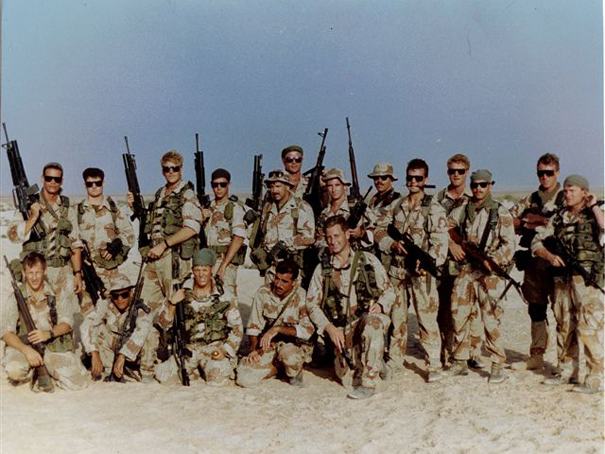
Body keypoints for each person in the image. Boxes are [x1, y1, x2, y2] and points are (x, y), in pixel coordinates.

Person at [126, 150, 203, 379]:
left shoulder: (187, 194)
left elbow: (192, 228)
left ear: (181, 169)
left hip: (173, 259)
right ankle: (146, 363)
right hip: (154, 258)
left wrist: (165, 244)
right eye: (166, 169)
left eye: (174, 168)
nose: (170, 172)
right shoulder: (161, 193)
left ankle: (179, 358)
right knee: (145, 309)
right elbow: (153, 223)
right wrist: (135, 209)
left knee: (175, 310)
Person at [375, 159, 448, 382]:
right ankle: (395, 360)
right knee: (397, 319)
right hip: (398, 272)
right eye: (410, 178)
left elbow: (440, 242)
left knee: (427, 319)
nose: (413, 182)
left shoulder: (433, 208)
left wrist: (427, 262)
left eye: (418, 178)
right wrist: (392, 244)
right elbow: (379, 230)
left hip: (421, 274)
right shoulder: (396, 205)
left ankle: (434, 364)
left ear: (425, 180)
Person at [306, 216, 395, 399]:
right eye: (329, 237)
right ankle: (377, 362)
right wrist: (329, 328)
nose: (333, 241)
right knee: (347, 378)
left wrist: (380, 305)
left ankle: (369, 383)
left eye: (337, 236)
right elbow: (311, 304)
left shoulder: (368, 260)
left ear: (347, 234)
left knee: (373, 324)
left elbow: (389, 291)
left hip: (366, 320)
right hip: (343, 329)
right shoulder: (322, 269)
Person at [532, 175, 604, 394]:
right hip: (562, 280)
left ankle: (595, 378)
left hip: (587, 282)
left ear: (584, 192)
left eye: (572, 190)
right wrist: (549, 256)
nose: (567, 194)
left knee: (588, 328)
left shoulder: (596, 213)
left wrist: (594, 206)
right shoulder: (558, 217)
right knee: (564, 325)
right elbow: (537, 242)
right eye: (565, 190)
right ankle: (567, 371)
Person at [444, 170, 515, 384]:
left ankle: (497, 364)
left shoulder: (500, 212)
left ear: (490, 185)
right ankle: (460, 361)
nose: (478, 189)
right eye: (475, 185)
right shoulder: (463, 209)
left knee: (491, 318)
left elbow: (509, 244)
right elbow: (444, 227)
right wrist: (452, 245)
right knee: (459, 314)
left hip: (489, 273)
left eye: (483, 185)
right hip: (467, 269)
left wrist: (494, 260)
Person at [154, 249, 243, 386]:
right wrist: (172, 304)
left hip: (213, 348)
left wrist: (224, 350)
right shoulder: (180, 290)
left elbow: (237, 329)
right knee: (164, 378)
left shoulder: (224, 294)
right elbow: (163, 324)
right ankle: (196, 372)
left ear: (211, 270)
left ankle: (208, 370)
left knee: (217, 381)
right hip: (189, 348)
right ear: (192, 271)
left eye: (205, 270)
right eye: (197, 270)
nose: (201, 274)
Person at [2, 252, 89, 391]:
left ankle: (48, 369)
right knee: (14, 369)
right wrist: (26, 350)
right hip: (26, 347)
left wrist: (48, 334)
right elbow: (6, 333)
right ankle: (32, 370)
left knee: (77, 383)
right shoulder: (16, 296)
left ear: (45, 271)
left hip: (52, 345)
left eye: (38, 272)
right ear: (24, 273)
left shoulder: (57, 292)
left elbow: (67, 324)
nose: (34, 278)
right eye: (30, 273)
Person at [510, 153, 564, 371]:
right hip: (534, 263)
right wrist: (526, 224)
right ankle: (537, 355)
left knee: (561, 312)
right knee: (536, 309)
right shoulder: (531, 199)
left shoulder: (565, 197)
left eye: (549, 173)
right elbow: (510, 220)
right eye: (541, 173)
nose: (545, 177)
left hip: (558, 262)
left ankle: (564, 361)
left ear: (557, 173)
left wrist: (542, 222)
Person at [7, 162, 84, 316]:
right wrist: (33, 217)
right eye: (49, 178)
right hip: (36, 273)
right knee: (37, 317)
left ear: (62, 181)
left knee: (65, 317)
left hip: (62, 272)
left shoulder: (68, 207)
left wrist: (77, 274)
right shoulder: (29, 205)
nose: (52, 182)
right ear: (42, 179)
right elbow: (13, 236)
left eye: (57, 179)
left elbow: (75, 243)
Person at [435, 154, 484, 369]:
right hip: (444, 261)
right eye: (452, 171)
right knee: (445, 307)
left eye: (460, 171)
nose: (456, 175)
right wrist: (450, 245)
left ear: (467, 172)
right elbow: (436, 227)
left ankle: (473, 351)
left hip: (468, 262)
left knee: (471, 307)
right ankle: (447, 350)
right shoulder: (438, 198)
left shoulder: (472, 198)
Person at [237, 259, 314, 388]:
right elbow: (253, 326)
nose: (278, 285)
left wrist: (278, 329)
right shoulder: (263, 293)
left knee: (290, 357)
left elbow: (307, 331)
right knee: (244, 378)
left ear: (294, 282)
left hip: (293, 346)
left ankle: (293, 372)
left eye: (284, 281)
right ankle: (277, 368)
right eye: (277, 279)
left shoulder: (301, 296)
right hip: (270, 345)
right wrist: (254, 350)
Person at [77, 167, 135, 314]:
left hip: (110, 273)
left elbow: (129, 233)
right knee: (90, 314)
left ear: (103, 183)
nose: (94, 187)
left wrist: (118, 243)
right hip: (87, 273)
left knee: (114, 313)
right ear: (84, 185)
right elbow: (72, 239)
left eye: (98, 183)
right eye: (90, 184)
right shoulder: (78, 211)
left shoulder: (113, 208)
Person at [79, 271, 153, 382]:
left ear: (131, 293)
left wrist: (123, 355)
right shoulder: (105, 304)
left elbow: (142, 332)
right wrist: (93, 352)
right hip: (114, 348)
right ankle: (107, 369)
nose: (120, 299)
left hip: (134, 353)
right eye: (115, 296)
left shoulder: (141, 307)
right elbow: (86, 325)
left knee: (151, 334)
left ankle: (146, 373)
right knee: (98, 328)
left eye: (124, 294)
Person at [250, 169, 315, 282]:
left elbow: (309, 237)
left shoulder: (301, 207)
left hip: (291, 268)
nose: (274, 190)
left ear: (288, 186)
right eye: (271, 187)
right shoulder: (268, 207)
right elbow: (262, 232)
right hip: (271, 268)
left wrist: (284, 244)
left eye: (278, 186)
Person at [202, 168, 247, 296]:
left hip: (224, 261)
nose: (219, 188)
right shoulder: (207, 207)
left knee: (227, 298)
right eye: (215, 185)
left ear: (229, 184)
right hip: (206, 260)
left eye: (223, 184)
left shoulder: (234, 208)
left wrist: (224, 265)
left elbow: (238, 238)